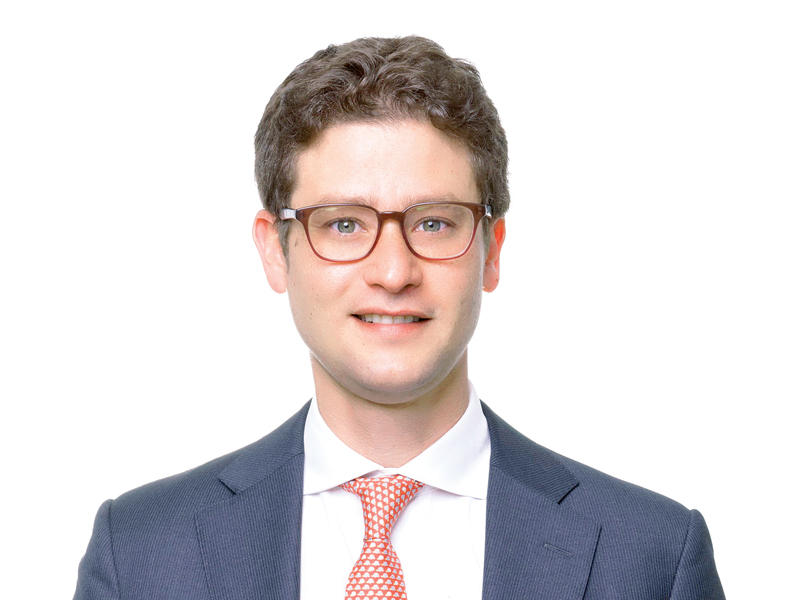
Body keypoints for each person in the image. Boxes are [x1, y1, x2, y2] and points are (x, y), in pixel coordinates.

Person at [73, 36, 725, 600]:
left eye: (434, 223)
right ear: (276, 251)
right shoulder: (140, 553)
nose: (392, 271)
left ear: (492, 251)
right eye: (344, 224)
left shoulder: (651, 556)